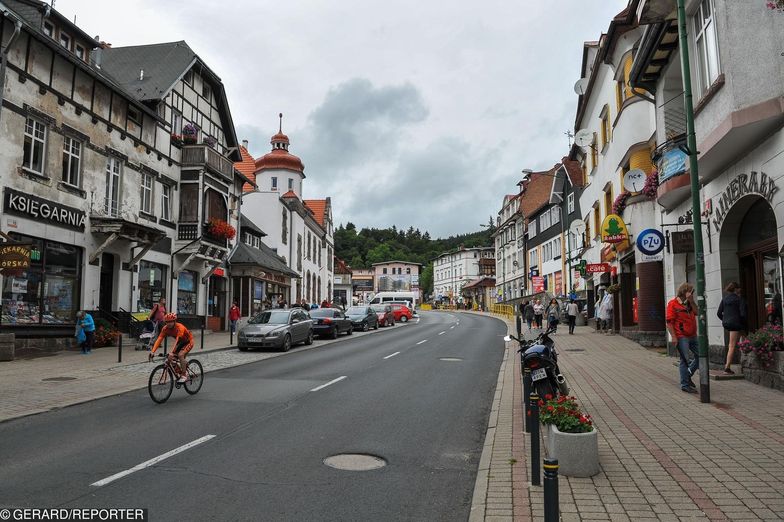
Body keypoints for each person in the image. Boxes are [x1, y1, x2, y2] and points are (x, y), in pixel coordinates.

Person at [666, 282, 699, 394]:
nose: (692, 293)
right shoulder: (673, 304)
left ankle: (687, 375)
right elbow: (669, 323)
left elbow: (697, 312)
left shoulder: (690, 303)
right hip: (682, 336)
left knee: (701, 356)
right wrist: (674, 337)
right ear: (685, 292)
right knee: (684, 360)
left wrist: (692, 301)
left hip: (693, 335)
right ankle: (685, 384)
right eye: (691, 291)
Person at [149, 313, 193, 383]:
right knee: (171, 359)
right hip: (180, 343)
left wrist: (172, 353)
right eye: (167, 322)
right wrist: (152, 351)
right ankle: (181, 371)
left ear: (174, 321)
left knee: (180, 355)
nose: (169, 323)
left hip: (188, 341)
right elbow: (159, 339)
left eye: (171, 321)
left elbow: (177, 340)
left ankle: (184, 375)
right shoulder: (165, 328)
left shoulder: (180, 327)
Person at [717, 282, 746, 375]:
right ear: (736, 289)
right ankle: (727, 368)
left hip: (727, 323)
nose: (740, 289)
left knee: (744, 336)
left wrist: (725, 320)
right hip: (735, 324)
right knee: (732, 345)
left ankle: (744, 353)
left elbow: (718, 313)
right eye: (739, 288)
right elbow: (743, 314)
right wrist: (741, 322)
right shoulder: (739, 299)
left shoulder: (724, 299)